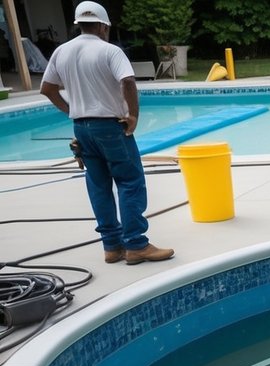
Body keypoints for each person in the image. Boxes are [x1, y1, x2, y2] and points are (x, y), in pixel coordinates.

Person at [40, 2, 174, 265]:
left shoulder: (61, 52)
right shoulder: (110, 51)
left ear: (79, 24)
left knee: (99, 185)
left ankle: (112, 247)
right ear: (103, 26)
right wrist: (133, 116)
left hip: (82, 127)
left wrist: (72, 111)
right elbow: (127, 81)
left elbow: (47, 88)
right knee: (129, 182)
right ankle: (136, 244)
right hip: (110, 127)